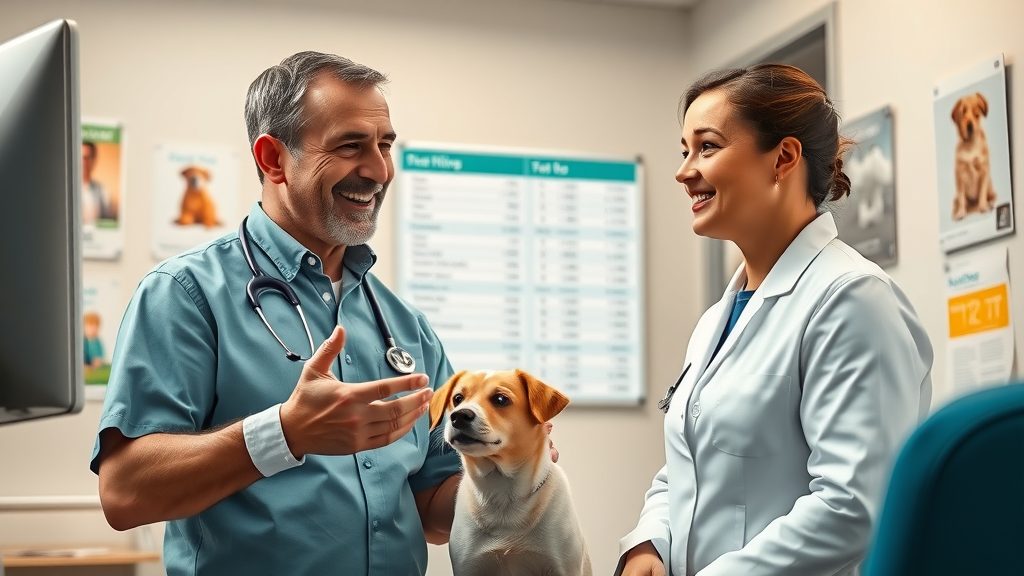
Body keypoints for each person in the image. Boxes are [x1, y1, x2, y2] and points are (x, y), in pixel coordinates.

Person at [90, 52, 464, 575]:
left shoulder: (404, 323)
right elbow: (126, 493)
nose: (379, 170)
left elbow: (432, 508)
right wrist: (283, 434)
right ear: (272, 159)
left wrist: (505, 475)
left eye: (384, 145)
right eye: (350, 146)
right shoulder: (186, 294)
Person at [616, 63, 933, 576]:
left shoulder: (852, 299)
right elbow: (686, 466)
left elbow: (853, 507)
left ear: (783, 158)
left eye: (708, 147)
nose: (684, 170)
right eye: (684, 151)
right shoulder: (718, 319)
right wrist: (649, 543)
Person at [81, 141, 116, 223]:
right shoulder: (65, 189)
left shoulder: (103, 190)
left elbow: (108, 222)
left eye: (87, 158)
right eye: (81, 157)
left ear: (93, 160)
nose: (84, 163)